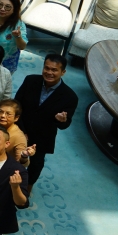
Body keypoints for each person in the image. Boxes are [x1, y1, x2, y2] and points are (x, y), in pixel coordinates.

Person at [15, 53, 77, 187]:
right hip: (20, 128)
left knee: (36, 163)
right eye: (46, 68)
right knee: (13, 156)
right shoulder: (30, 80)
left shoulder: (70, 96)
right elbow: (17, 105)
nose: (49, 72)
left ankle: (28, 185)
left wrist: (61, 120)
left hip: (42, 137)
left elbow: (65, 125)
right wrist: (21, 131)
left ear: (63, 72)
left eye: (54, 70)